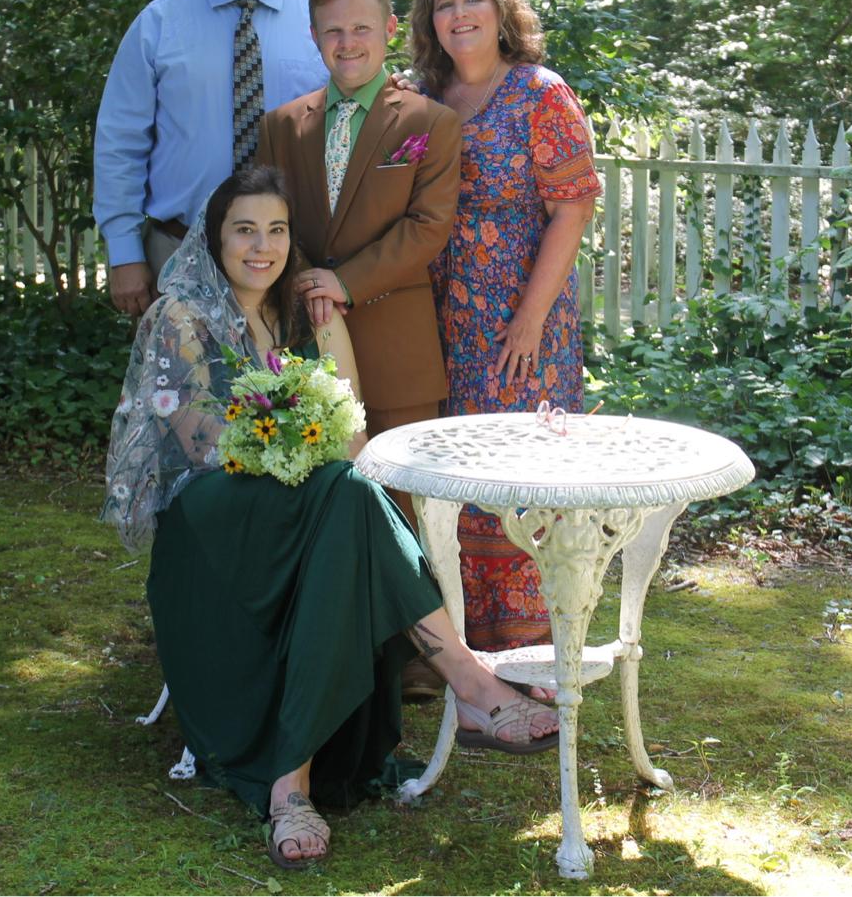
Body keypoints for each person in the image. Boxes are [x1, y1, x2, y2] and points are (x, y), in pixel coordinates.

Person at [100, 166, 560, 871]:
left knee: (346, 492)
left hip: (305, 513)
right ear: (214, 237)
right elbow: (205, 443)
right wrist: (295, 450)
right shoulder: (181, 316)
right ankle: (471, 684)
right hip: (211, 531)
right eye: (244, 230)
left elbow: (352, 434)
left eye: (276, 230)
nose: (262, 246)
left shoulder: (300, 316)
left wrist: (326, 358)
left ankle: (292, 787)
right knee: (342, 494)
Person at [408, 0, 603, 653]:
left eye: (471, 1)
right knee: (457, 483)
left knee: (522, 485)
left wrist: (528, 320)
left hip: (524, 327)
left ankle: (537, 659)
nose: (458, 15)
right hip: (443, 326)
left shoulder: (540, 92)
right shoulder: (424, 97)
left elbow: (573, 210)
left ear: (500, 10)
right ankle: (468, 657)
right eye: (444, 5)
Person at [254, 0, 461, 528]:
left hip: (398, 347)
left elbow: (428, 225)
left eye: (361, 29)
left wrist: (344, 282)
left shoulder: (431, 122)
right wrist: (305, 280)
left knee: (406, 511)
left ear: (390, 28)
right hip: (305, 343)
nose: (348, 44)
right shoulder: (281, 126)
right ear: (314, 36)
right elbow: (268, 221)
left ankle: (415, 619)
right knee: (316, 503)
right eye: (333, 31)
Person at [93, 0, 330, 318]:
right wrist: (124, 251)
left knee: (287, 388)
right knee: (180, 389)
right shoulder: (158, 26)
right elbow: (120, 144)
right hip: (178, 253)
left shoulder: (321, 25)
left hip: (290, 261)